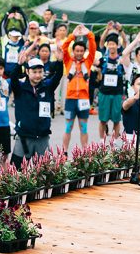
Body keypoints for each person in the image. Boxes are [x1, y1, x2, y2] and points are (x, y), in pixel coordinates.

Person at [11, 53, 64, 167]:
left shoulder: (47, 86)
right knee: (15, 171)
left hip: (42, 137)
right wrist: (18, 64)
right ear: (27, 72)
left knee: (44, 172)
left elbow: (58, 76)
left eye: (40, 72)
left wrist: (60, 62)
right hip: (24, 137)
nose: (37, 75)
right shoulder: (20, 88)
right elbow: (13, 78)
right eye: (34, 72)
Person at [62, 24, 96, 154]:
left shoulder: (88, 62)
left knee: (84, 128)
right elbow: (64, 47)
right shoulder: (68, 61)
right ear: (74, 51)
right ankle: (64, 152)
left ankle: (85, 152)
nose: (79, 53)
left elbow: (93, 47)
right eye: (77, 51)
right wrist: (73, 35)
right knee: (68, 127)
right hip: (70, 99)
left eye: (82, 51)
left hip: (83, 99)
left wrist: (88, 34)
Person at [96, 35, 125, 139]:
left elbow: (126, 44)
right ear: (107, 46)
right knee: (103, 120)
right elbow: (96, 65)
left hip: (117, 93)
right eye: (110, 44)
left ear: (117, 46)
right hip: (104, 93)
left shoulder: (121, 60)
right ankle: (102, 142)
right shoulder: (103, 59)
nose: (111, 46)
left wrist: (122, 32)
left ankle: (115, 143)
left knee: (117, 120)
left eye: (113, 44)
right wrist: (106, 31)